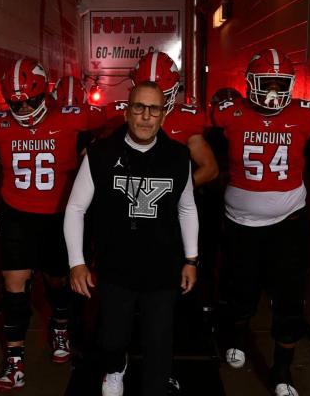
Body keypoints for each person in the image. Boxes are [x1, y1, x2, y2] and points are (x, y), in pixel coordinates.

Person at [0, 58, 104, 392]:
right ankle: (14, 364)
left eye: (31, 99)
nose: (24, 107)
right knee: (14, 288)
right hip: (15, 215)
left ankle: (60, 325)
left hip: (59, 216)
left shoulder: (73, 122)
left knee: (58, 282)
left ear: (46, 93)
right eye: (16, 102)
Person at [212, 48, 310, 396]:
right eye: (265, 84)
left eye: (279, 84)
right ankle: (237, 335)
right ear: (249, 83)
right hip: (240, 223)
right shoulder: (230, 115)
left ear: (291, 85)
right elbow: (211, 165)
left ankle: (282, 371)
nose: (271, 92)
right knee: (240, 290)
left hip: (289, 223)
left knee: (289, 298)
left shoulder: (306, 117)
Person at [64, 81, 199, 396]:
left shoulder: (178, 156)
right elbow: (74, 208)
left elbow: (188, 209)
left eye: (154, 109)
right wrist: (77, 262)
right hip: (115, 266)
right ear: (126, 112)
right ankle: (115, 368)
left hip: (162, 267)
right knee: (112, 338)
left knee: (159, 341)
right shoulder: (100, 153)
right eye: (139, 107)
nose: (146, 117)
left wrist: (191, 259)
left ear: (163, 116)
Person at [106, 51, 218, 187]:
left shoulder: (184, 120)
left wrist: (176, 189)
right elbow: (98, 158)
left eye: (163, 96)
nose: (154, 101)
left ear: (174, 91)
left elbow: (210, 169)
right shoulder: (122, 115)